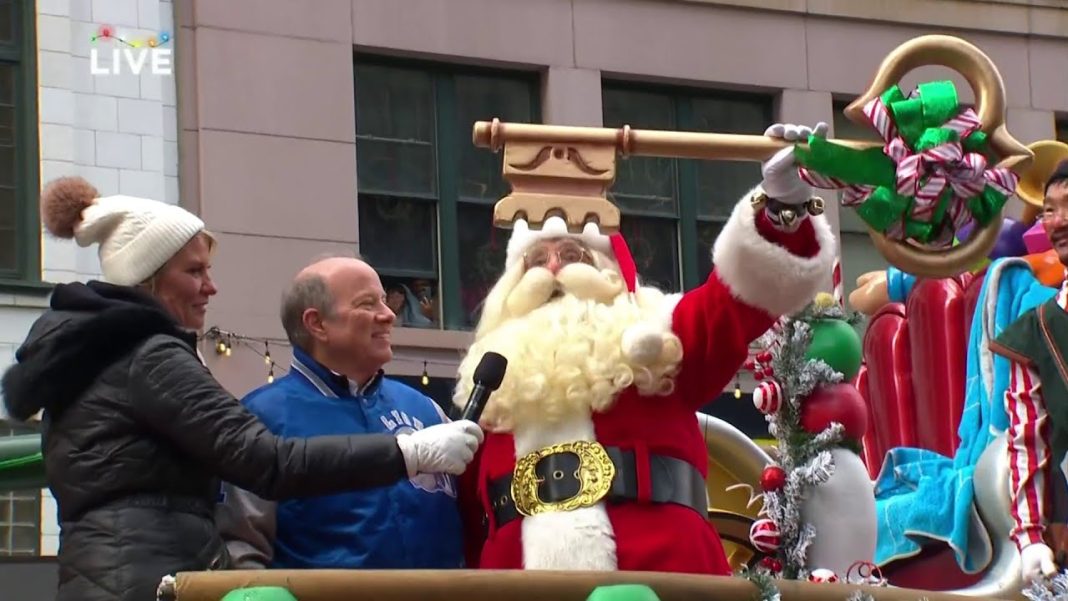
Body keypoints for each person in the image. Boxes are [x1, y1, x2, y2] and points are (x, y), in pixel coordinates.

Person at [0, 176, 483, 601]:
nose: (211, 287)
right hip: (143, 582)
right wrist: (408, 452)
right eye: (194, 271)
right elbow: (265, 461)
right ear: (148, 279)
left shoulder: (105, 353)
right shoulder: (147, 355)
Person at [453, 122, 837, 574]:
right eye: (536, 260)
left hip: (662, 574)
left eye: (573, 255)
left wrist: (780, 209)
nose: (552, 270)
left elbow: (733, 304)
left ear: (610, 270)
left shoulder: (660, 331)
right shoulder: (490, 384)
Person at [216, 256, 466, 569]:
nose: (388, 315)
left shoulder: (425, 408)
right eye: (367, 304)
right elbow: (242, 556)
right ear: (317, 323)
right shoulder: (260, 419)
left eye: (384, 301)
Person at [989, 159, 1068, 583]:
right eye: (1049, 210)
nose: (1058, 221)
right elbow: (1027, 439)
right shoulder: (1034, 331)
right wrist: (1031, 537)